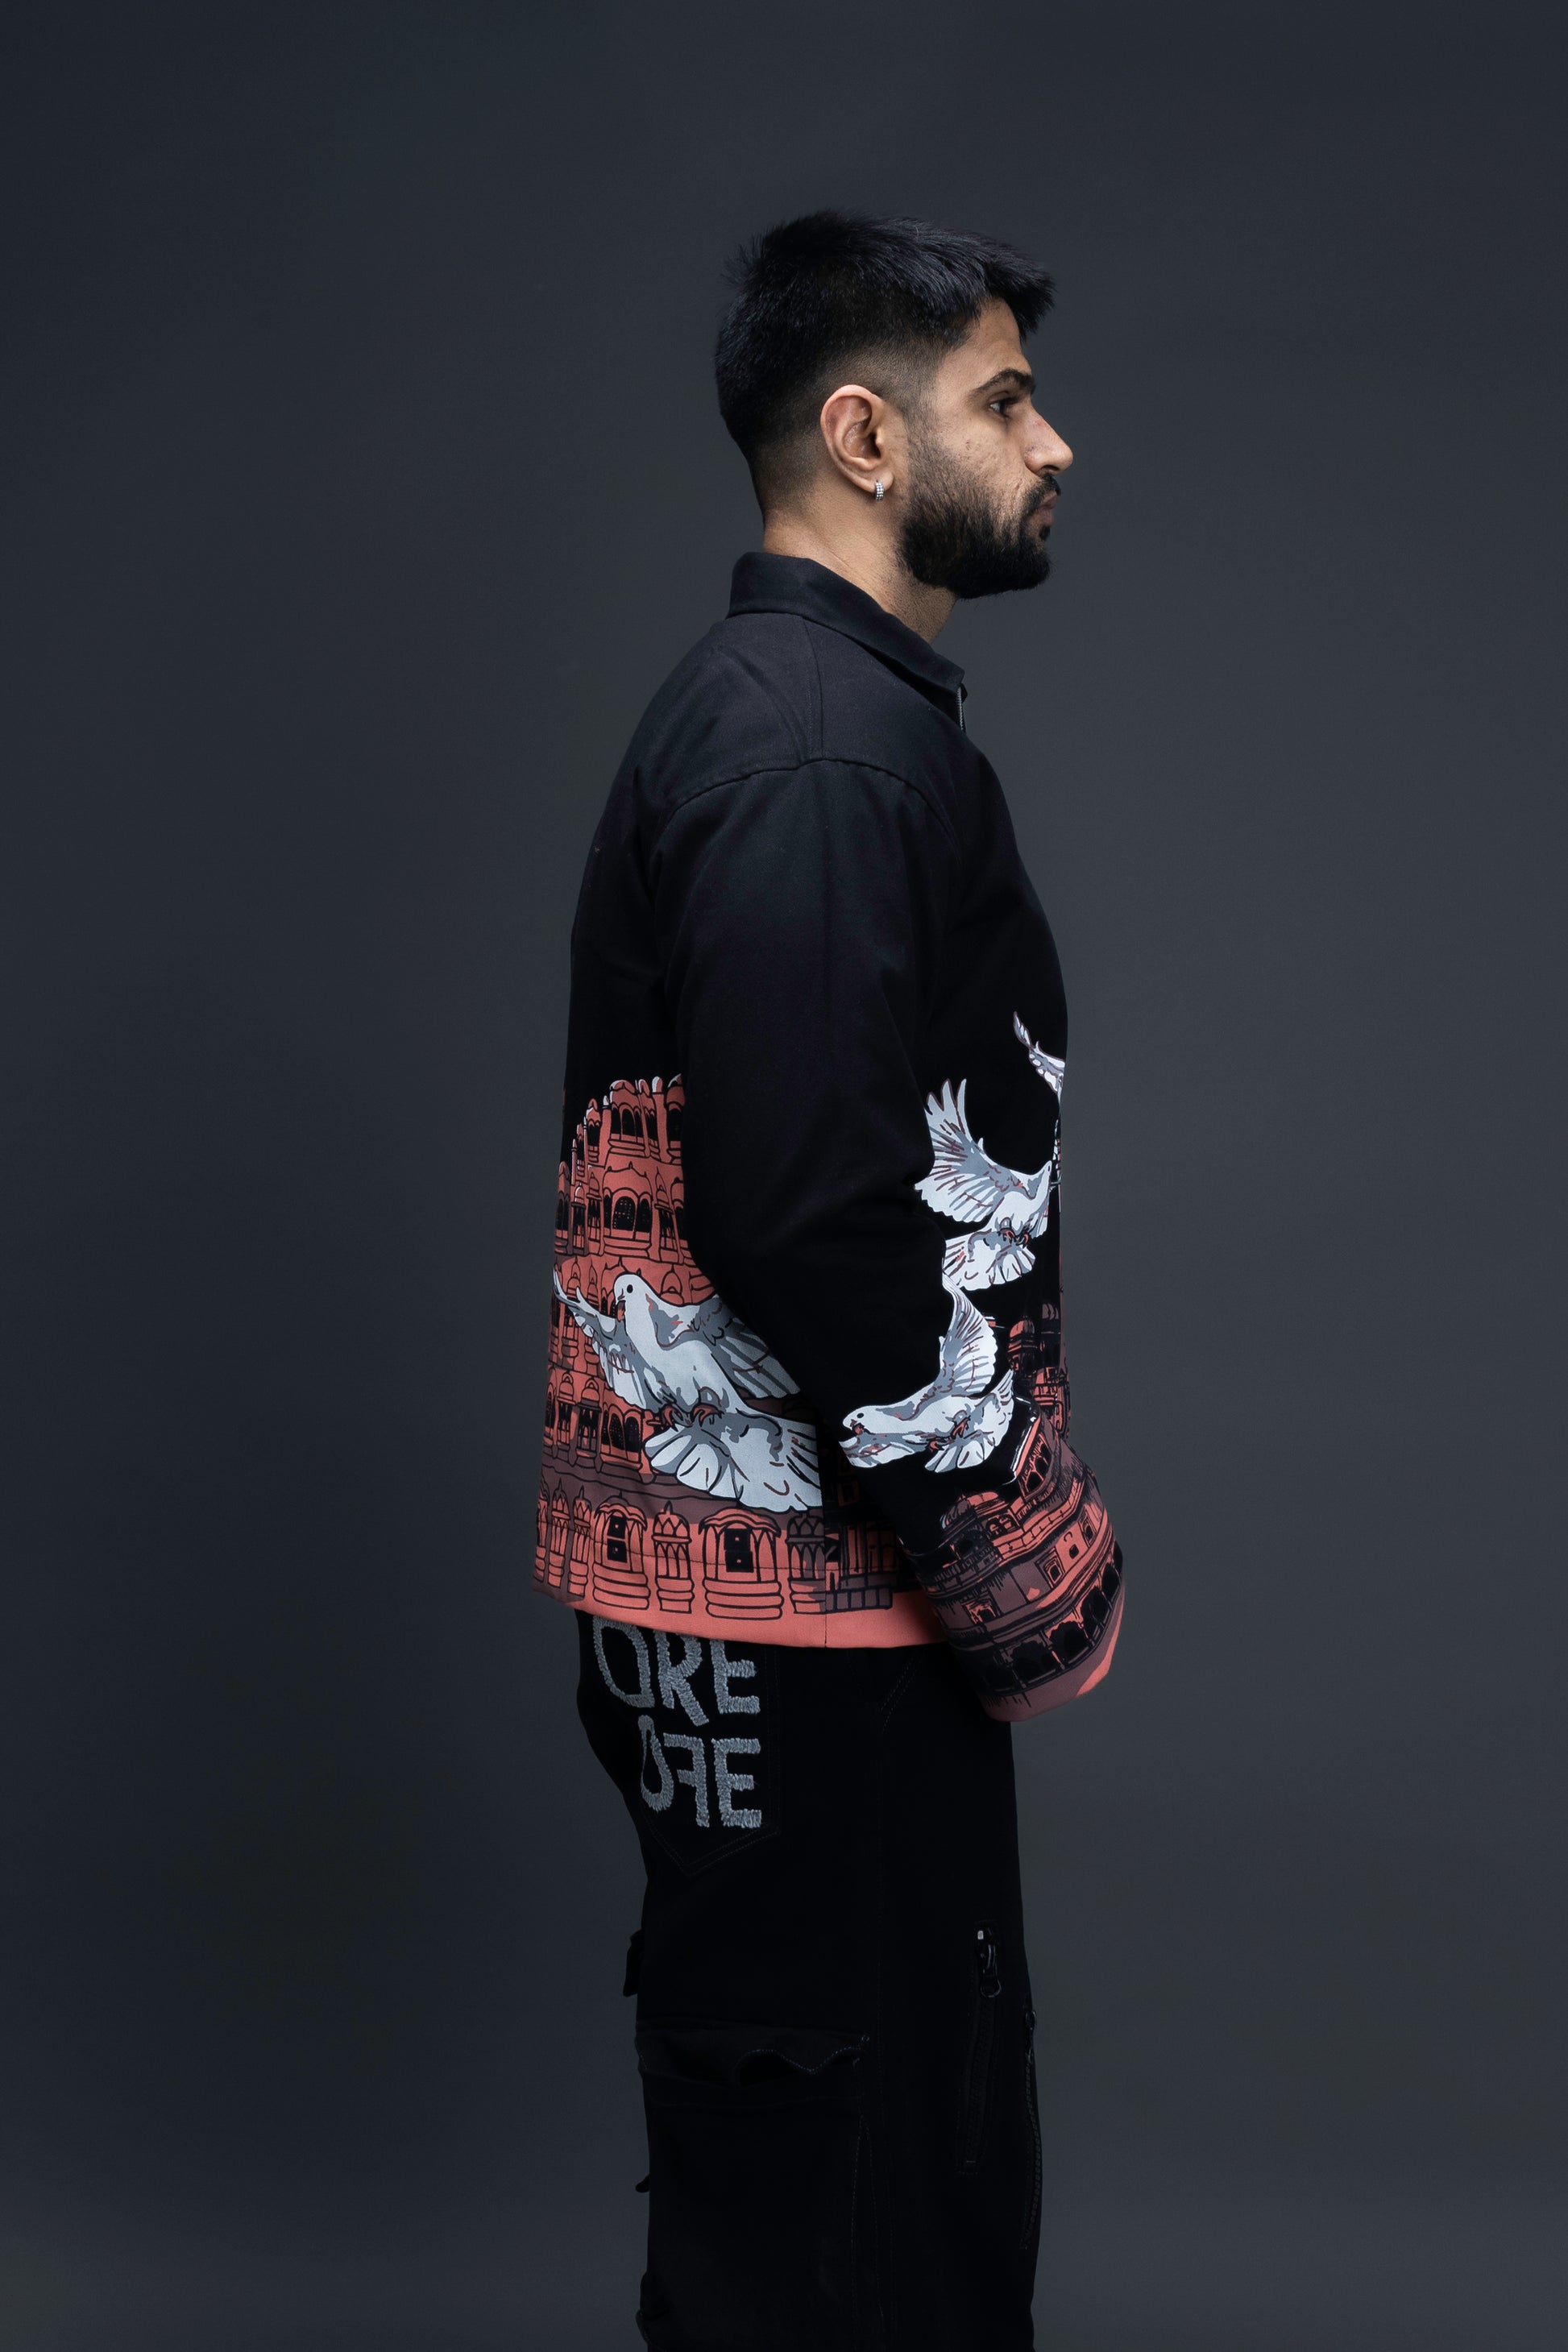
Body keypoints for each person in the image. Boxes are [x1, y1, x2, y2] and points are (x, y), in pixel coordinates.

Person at [534, 210, 1122, 2351]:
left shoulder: (813, 716)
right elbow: (799, 1207)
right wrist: (1017, 1550)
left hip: (774, 1601)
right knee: (857, 2190)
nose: (1054, 447)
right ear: (863, 437)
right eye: (1001, 402)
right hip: (812, 1613)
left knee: (823, 2151)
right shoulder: (807, 743)